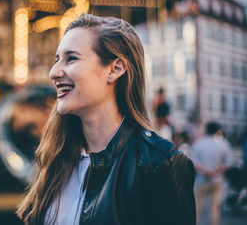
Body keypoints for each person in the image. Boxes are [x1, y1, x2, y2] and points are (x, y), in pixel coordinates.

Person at [16, 13, 196, 225]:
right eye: (56, 60)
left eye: (71, 58)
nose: (53, 72)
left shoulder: (158, 164)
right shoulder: (55, 156)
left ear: (115, 69)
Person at [190, 122, 231, 225]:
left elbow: (193, 161)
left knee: (196, 206)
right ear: (218, 130)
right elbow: (227, 163)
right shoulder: (224, 143)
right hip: (217, 179)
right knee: (214, 207)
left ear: (206, 130)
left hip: (201, 179)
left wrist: (206, 171)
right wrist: (215, 171)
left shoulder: (199, 143)